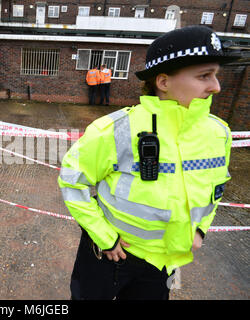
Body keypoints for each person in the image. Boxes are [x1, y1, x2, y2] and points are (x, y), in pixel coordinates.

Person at [58, 25, 239, 300]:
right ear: (163, 82)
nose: (216, 86)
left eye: (215, 75)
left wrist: (200, 227)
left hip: (163, 264)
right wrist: (103, 236)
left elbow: (215, 189)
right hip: (109, 256)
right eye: (204, 76)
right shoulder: (116, 129)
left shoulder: (219, 133)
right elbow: (72, 179)